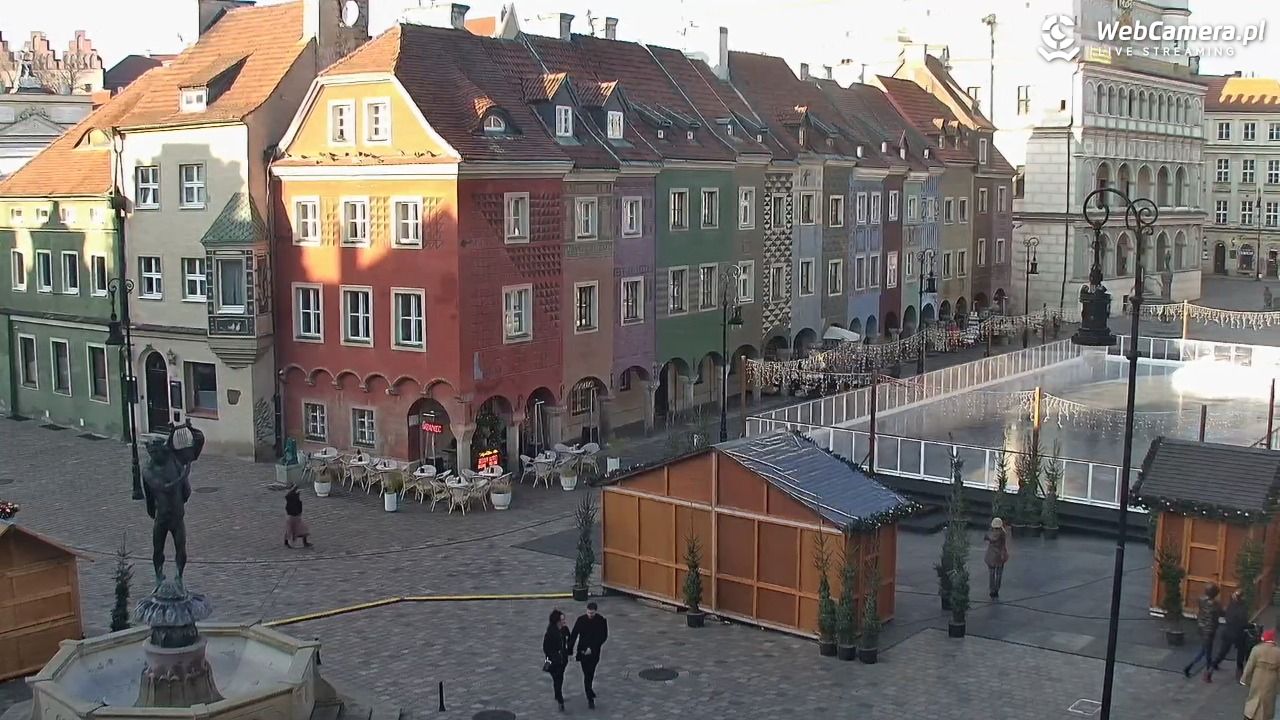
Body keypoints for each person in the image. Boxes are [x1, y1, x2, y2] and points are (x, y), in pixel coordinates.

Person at [570, 602, 610, 709]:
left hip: (594, 652)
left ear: (595, 611)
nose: (590, 615)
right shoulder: (581, 620)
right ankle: (589, 698)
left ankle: (589, 689)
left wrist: (592, 648)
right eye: (588, 612)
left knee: (590, 673)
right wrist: (569, 650)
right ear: (586, 610)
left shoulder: (601, 620)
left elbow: (603, 636)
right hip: (583, 651)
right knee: (586, 674)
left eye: (592, 613)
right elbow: (574, 635)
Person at [1184, 583, 1223, 682]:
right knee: (1205, 651)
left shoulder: (1201, 600)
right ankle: (1191, 667)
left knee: (1206, 650)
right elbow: (1222, 613)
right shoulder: (1216, 604)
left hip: (1201, 627)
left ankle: (1208, 670)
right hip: (1210, 629)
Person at [1211, 590, 1249, 680]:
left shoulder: (1230, 606)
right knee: (1241, 653)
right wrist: (1251, 625)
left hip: (1228, 632)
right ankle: (1239, 673)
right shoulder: (1242, 609)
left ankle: (1214, 664)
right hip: (1239, 634)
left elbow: (1227, 617)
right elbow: (1243, 623)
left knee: (1223, 651)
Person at [1244, 629, 1280, 719]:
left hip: (1258, 676)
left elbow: (1250, 665)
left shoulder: (1257, 649)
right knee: (1268, 701)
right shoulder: (1278, 652)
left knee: (1253, 697)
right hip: (1271, 678)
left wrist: (1245, 679)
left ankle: (1250, 715)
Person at [543, 609, 571, 712]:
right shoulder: (550, 633)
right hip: (554, 661)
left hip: (563, 660)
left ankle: (557, 693)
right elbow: (546, 648)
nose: (564, 621)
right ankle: (560, 700)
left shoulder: (565, 629)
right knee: (557, 680)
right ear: (557, 621)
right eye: (562, 620)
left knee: (559, 679)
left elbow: (569, 640)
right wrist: (555, 657)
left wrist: (568, 652)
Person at [984, 517, 1010, 598]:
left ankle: (992, 590)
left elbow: (993, 539)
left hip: (992, 556)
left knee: (992, 573)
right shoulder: (1003, 532)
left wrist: (987, 538)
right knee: (999, 573)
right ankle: (996, 590)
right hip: (1000, 556)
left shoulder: (996, 533)